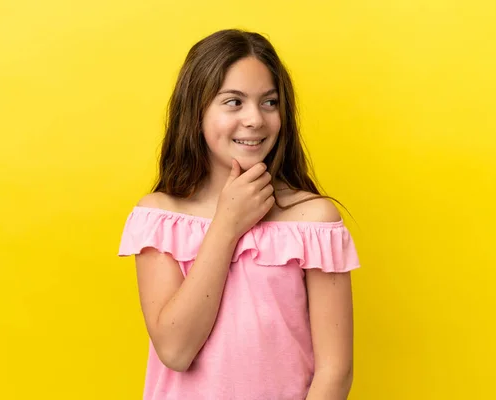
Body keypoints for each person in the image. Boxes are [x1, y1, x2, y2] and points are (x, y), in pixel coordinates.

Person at [118, 28, 361, 400]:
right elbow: (176, 351)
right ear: (195, 111)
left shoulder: (313, 222)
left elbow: (335, 372)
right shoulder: (159, 218)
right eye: (234, 102)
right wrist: (227, 225)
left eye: (269, 102)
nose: (255, 120)